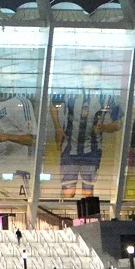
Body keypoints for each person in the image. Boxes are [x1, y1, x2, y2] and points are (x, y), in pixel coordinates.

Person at [51, 56, 121, 199]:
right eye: (87, 74)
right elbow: (52, 104)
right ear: (81, 73)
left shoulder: (107, 95)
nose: (90, 78)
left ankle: (87, 220)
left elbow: (118, 124)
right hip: (69, 149)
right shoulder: (69, 90)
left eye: (94, 74)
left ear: (99, 75)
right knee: (68, 192)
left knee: (87, 192)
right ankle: (67, 218)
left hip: (92, 151)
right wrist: (58, 128)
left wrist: (104, 127)